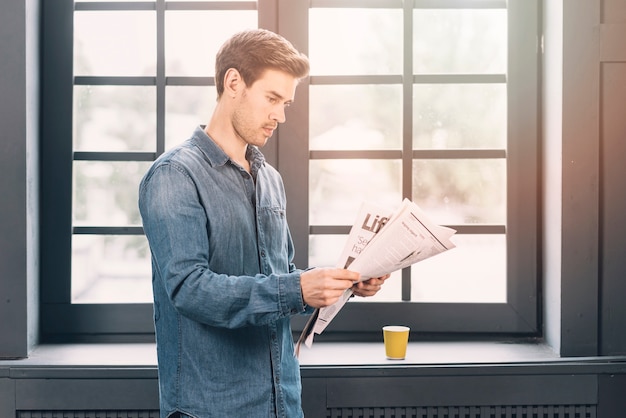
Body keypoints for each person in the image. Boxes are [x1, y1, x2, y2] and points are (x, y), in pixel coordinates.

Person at [138, 29, 389, 418]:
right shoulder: (174, 175)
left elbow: (281, 278)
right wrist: (297, 287)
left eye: (286, 102)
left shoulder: (269, 178)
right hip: (211, 408)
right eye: (272, 98)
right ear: (233, 82)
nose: (281, 115)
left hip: (282, 402)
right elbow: (190, 289)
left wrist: (342, 284)